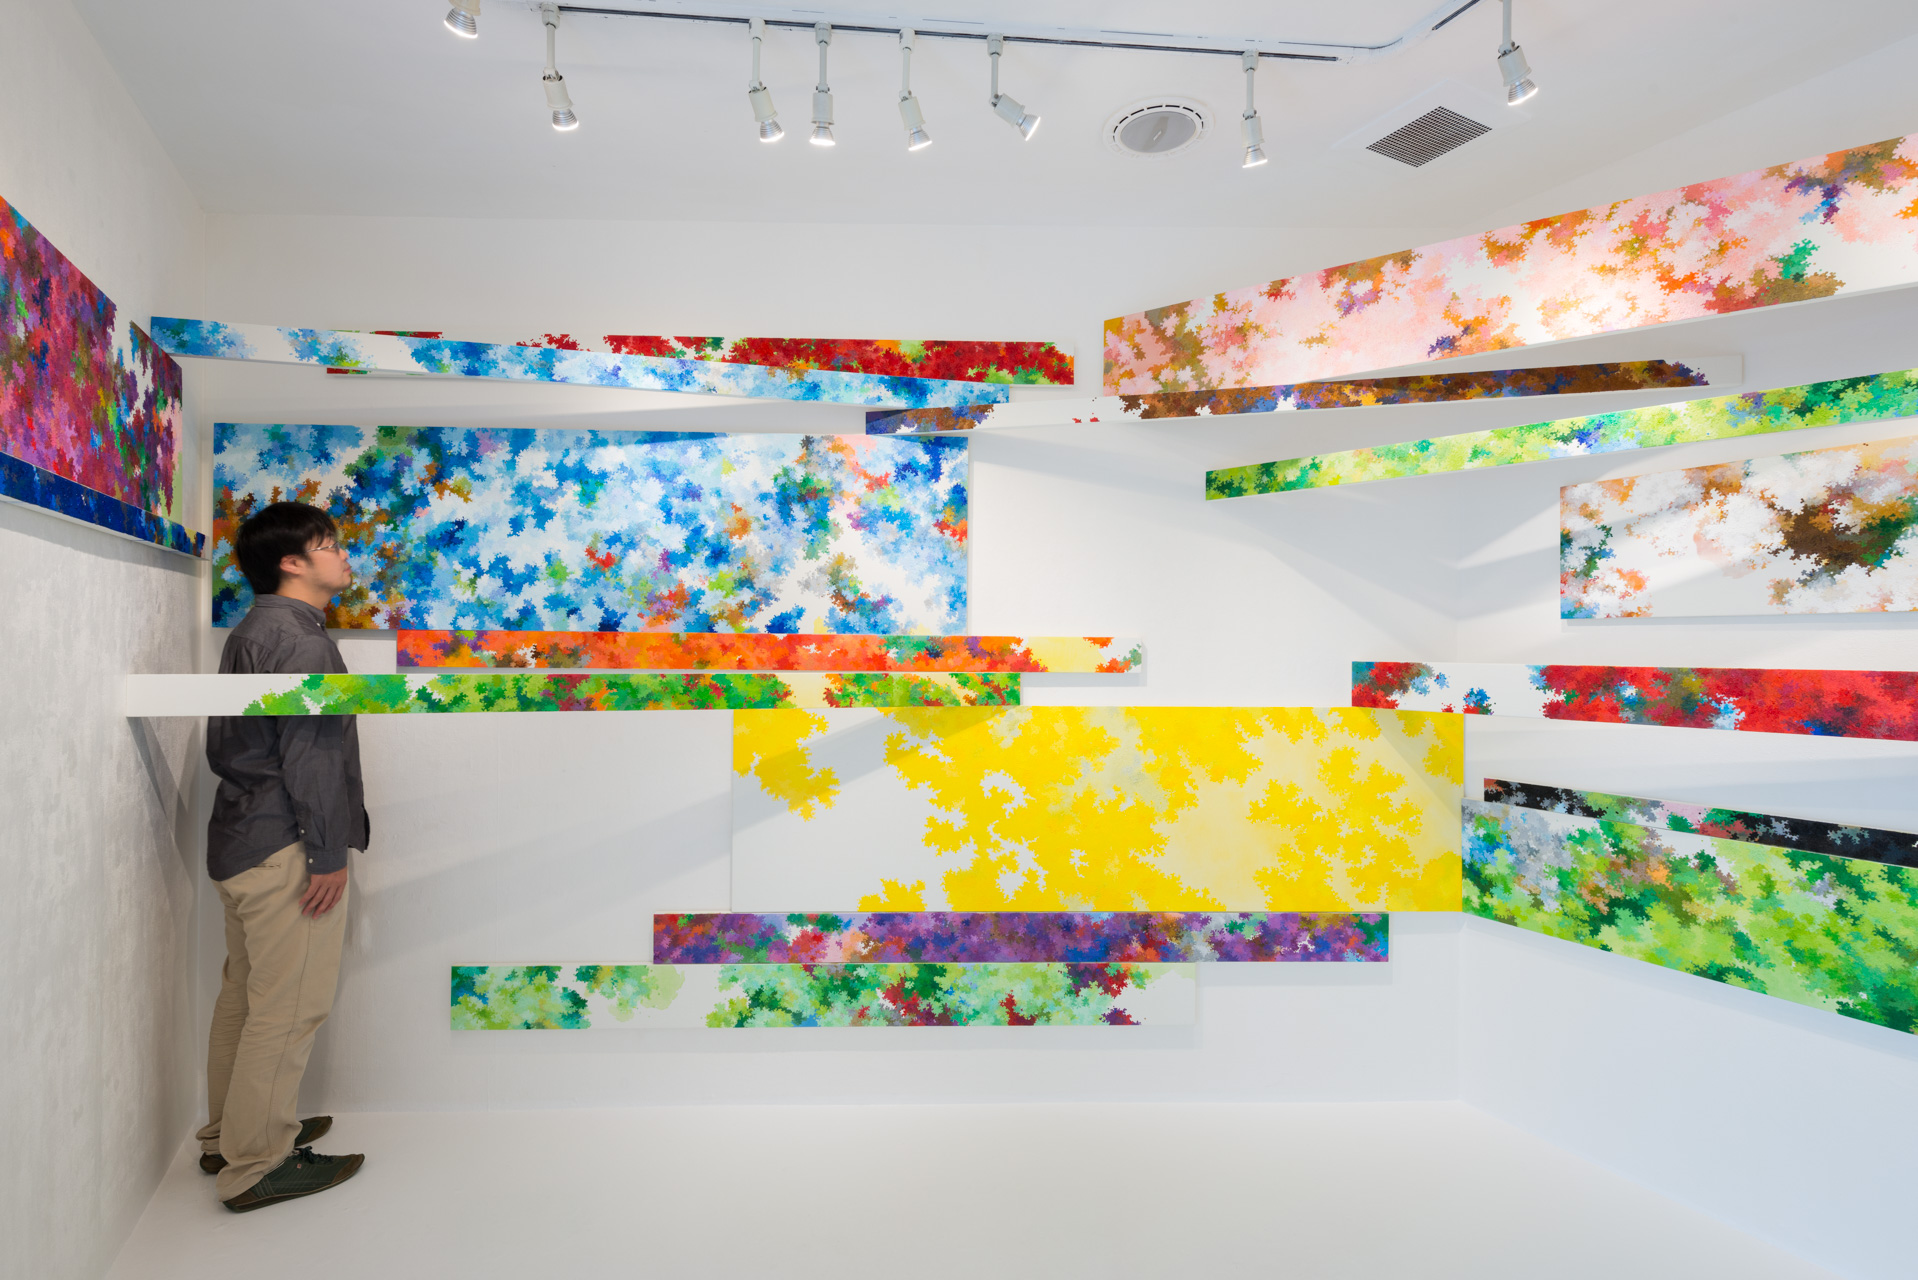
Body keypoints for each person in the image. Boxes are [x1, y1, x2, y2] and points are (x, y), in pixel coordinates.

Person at [197, 502, 368, 1212]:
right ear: (292, 562)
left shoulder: (253, 630)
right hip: (284, 847)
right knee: (288, 1009)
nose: (343, 555)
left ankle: (228, 1137)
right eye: (329, 544)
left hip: (241, 841)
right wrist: (326, 852)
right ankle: (256, 1163)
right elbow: (311, 756)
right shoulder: (299, 642)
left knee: (245, 996)